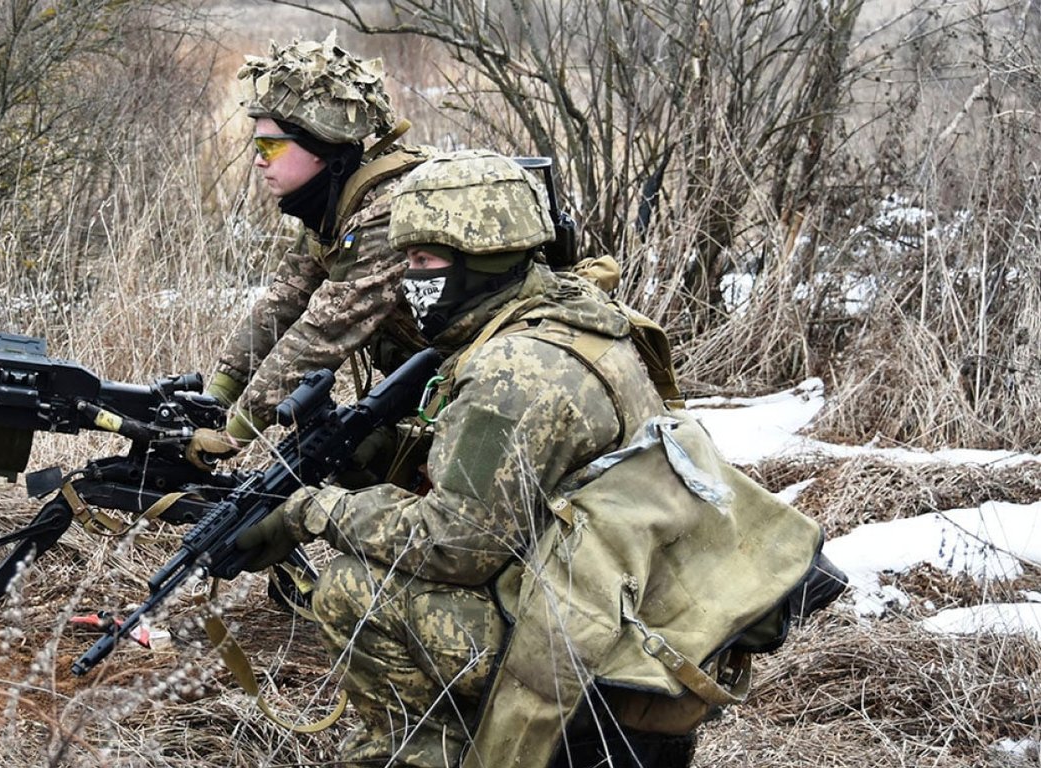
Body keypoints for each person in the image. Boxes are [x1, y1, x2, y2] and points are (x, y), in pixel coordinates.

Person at [236, 150, 832, 767]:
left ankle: (422, 753)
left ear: (479, 258)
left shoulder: (513, 371)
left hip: (590, 649)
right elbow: (522, 481)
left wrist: (314, 510)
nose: (406, 283)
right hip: (635, 608)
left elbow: (458, 547)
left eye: (422, 262)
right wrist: (382, 454)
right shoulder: (570, 315)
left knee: (353, 589)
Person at [187, 33, 431, 469]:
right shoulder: (337, 205)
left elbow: (324, 330)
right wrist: (212, 400)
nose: (259, 160)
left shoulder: (386, 210)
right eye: (256, 146)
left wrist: (234, 433)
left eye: (270, 146)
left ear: (321, 148)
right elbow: (284, 302)